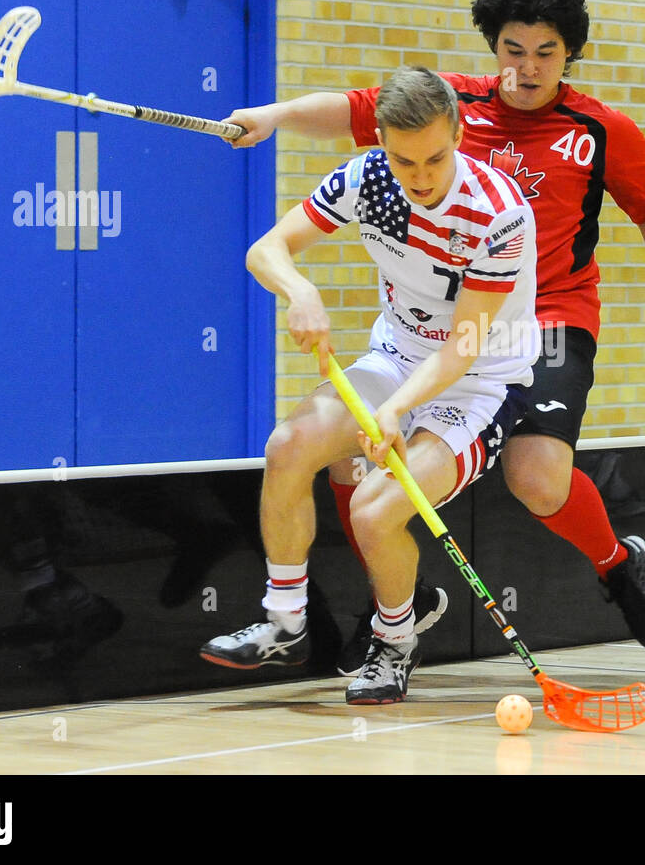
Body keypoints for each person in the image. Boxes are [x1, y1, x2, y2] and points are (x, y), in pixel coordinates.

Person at [224, 0, 645, 670]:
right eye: (514, 49)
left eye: (546, 52)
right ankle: (401, 604)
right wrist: (272, 117)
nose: (528, 67)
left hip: (545, 316)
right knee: (349, 467)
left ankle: (613, 560)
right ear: (494, 47)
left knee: (536, 474)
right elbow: (353, 112)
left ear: (569, 53)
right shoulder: (452, 106)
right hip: (438, 324)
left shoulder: (598, 128)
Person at [201, 67, 538, 704]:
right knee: (288, 447)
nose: (422, 176)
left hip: (480, 382)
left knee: (375, 509)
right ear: (380, 141)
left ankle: (395, 640)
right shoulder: (367, 180)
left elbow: (463, 349)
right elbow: (265, 250)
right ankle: (285, 619)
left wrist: (398, 412)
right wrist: (300, 290)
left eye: (436, 157)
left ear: (459, 133)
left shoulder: (499, 216)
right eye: (404, 159)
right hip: (395, 355)